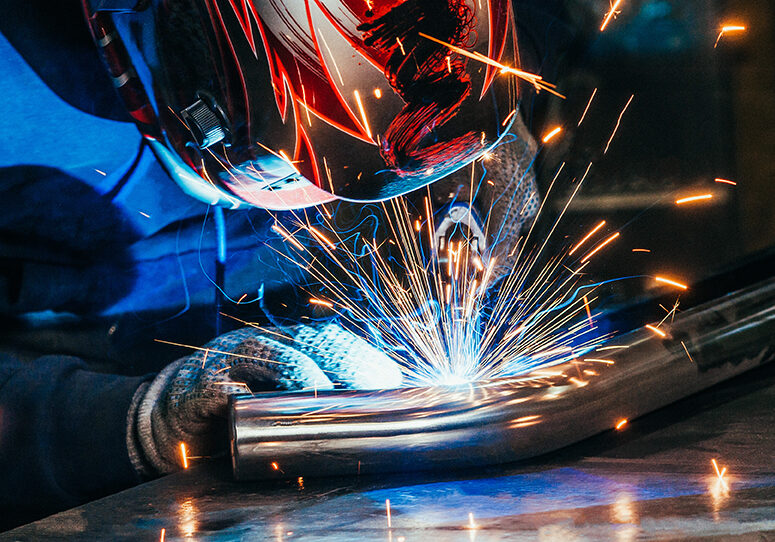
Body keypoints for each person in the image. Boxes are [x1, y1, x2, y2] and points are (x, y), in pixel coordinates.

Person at [0, 0, 580, 529]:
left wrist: (487, 117)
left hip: (309, 311)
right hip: (66, 373)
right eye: (290, 172)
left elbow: (551, 19)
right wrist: (124, 424)